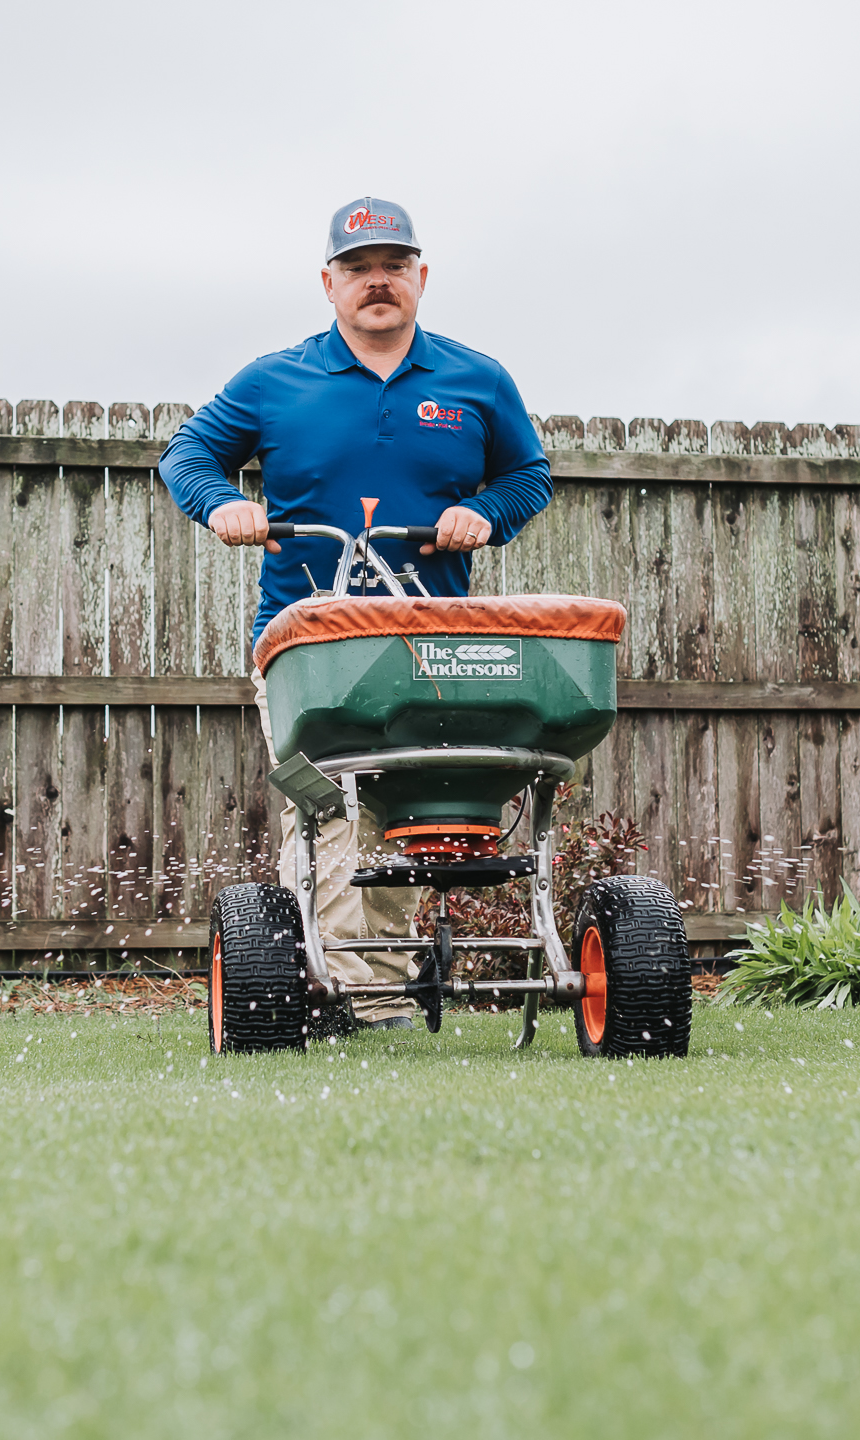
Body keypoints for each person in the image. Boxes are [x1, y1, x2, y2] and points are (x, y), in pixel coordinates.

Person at [157, 196, 553, 1028]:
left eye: (394, 266)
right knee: (327, 801)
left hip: (429, 642)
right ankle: (339, 987)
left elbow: (528, 477)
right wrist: (224, 505)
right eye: (359, 268)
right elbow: (186, 455)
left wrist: (487, 512)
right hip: (308, 641)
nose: (378, 281)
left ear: (420, 276)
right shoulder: (274, 381)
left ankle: (384, 981)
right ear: (329, 282)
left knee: (410, 808)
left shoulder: (476, 380)